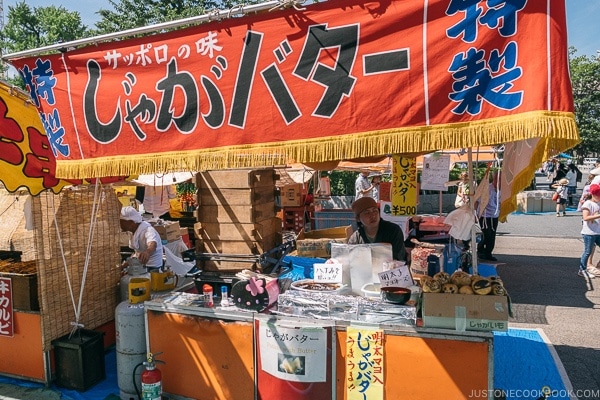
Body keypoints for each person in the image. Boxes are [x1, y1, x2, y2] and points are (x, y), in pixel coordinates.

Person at [348, 197, 406, 261]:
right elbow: (351, 261)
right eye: (367, 212)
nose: (373, 215)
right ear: (358, 218)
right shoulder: (355, 239)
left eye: (375, 210)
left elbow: (398, 258)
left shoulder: (394, 230)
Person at [477, 172, 500, 261]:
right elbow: (478, 201)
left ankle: (488, 252)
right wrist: (475, 214)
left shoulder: (501, 190)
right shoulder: (487, 188)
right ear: (494, 180)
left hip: (494, 215)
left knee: (492, 234)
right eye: (497, 180)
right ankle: (481, 250)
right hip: (485, 215)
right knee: (486, 234)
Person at [578, 184, 600, 279]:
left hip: (597, 232)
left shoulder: (597, 204)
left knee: (588, 251)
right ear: (593, 195)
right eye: (598, 195)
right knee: (587, 252)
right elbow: (585, 217)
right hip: (589, 233)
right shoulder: (588, 204)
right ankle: (582, 270)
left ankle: (596, 266)